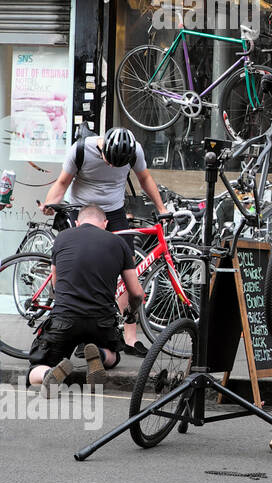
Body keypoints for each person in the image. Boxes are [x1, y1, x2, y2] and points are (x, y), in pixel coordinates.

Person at [42, 127, 168, 355]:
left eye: (117, 165)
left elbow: (145, 178)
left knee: (129, 268)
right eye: (108, 161)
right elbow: (62, 182)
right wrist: (51, 204)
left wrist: (161, 208)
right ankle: (80, 335)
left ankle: (129, 338)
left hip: (114, 212)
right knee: (81, 268)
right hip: (82, 212)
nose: (111, 167)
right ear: (102, 148)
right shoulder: (80, 150)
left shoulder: (135, 150)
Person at [28, 205, 145, 395]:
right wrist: (131, 314)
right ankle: (98, 355)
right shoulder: (119, 243)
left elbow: (56, 283)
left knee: (35, 368)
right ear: (106, 224)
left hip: (64, 320)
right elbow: (137, 293)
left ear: (76, 222)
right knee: (114, 356)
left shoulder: (62, 238)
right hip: (101, 321)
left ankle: (49, 373)